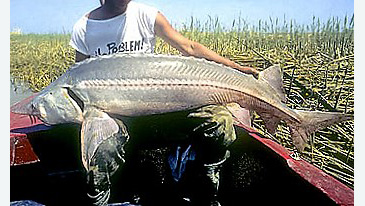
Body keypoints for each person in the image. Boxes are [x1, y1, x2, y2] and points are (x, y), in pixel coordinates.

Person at [70, 0, 258, 205]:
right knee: (101, 148)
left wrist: (235, 68)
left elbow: (189, 47)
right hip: (116, 116)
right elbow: (79, 76)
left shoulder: (146, 15)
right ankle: (101, 200)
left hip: (158, 109)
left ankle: (205, 193)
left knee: (219, 121)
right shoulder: (84, 27)